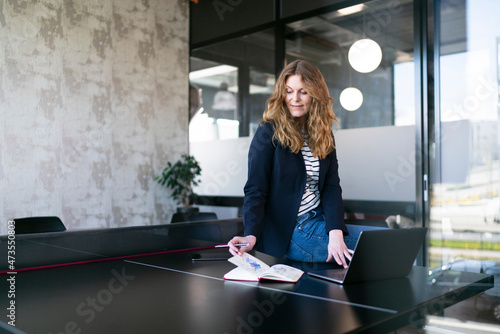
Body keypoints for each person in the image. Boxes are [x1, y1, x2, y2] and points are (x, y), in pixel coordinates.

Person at [228, 59, 377, 267]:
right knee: (377, 246)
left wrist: (335, 232)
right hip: (293, 231)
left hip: (321, 222)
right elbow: (255, 189)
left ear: (315, 95)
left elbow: (331, 187)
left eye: (303, 92)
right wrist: (251, 234)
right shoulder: (268, 131)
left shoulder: (323, 134)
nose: (294, 99)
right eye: (289, 91)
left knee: (382, 238)